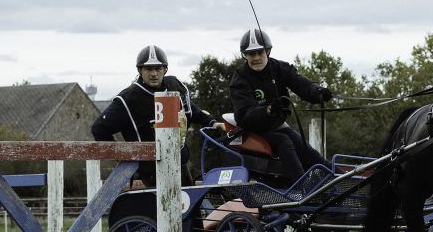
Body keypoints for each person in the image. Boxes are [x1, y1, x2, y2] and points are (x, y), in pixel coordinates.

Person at [92, 45, 223, 186]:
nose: (154, 73)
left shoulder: (174, 85)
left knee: (189, 205)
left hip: (180, 162)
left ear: (165, 69)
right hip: (151, 171)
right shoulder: (128, 98)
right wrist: (121, 155)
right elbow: (99, 129)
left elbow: (192, 111)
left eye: (158, 68)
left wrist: (212, 122)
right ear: (140, 70)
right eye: (148, 69)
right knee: (159, 208)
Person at [229, 28, 333, 181]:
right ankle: (302, 187)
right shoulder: (240, 78)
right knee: (284, 142)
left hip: (276, 126)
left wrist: (317, 92)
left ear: (268, 51)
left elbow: (300, 83)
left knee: (305, 148)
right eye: (251, 54)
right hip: (253, 131)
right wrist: (268, 110)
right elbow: (244, 115)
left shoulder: (279, 68)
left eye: (260, 52)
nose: (256, 57)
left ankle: (338, 178)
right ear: (245, 55)